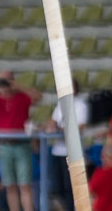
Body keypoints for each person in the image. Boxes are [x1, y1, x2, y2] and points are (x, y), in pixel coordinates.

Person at [0, 74, 41, 211]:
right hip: (4, 146)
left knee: (25, 185)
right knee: (10, 186)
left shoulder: (22, 98)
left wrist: (18, 86)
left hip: (22, 145)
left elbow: (38, 97)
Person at [43, 79, 88, 211]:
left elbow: (79, 127)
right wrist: (50, 125)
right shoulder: (60, 105)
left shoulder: (81, 105)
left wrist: (59, 129)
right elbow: (53, 121)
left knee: (70, 188)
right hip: (58, 150)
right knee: (58, 187)